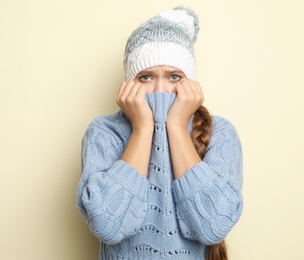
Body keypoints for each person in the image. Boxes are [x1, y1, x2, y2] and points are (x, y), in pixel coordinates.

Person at [77, 6, 243, 260]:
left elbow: (214, 226)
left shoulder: (221, 133)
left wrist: (176, 125)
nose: (160, 89)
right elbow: (108, 225)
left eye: (174, 76)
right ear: (129, 83)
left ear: (190, 82)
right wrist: (143, 128)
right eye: (145, 77)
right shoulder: (104, 133)